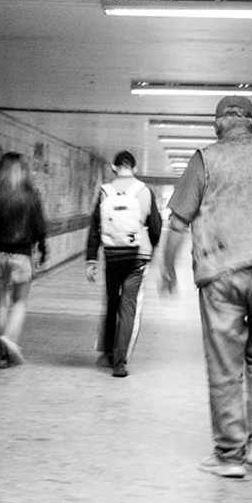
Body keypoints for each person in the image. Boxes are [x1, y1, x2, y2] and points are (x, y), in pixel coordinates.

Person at [157, 95, 252, 479]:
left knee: (225, 366)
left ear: (217, 127)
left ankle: (229, 455)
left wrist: (167, 268)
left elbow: (177, 222)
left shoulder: (205, 159)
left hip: (221, 272)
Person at [85, 150, 164, 377]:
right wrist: (152, 247)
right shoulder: (145, 191)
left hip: (113, 255)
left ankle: (107, 353)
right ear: (135, 168)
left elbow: (95, 227)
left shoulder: (105, 191)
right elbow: (156, 226)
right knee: (129, 307)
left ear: (114, 167)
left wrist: (91, 259)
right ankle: (120, 363)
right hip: (138, 256)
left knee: (112, 303)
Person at [0, 151, 48, 368]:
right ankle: (9, 339)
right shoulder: (31, 196)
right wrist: (43, 250)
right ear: (23, 171)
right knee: (19, 303)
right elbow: (40, 228)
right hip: (21, 256)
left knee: (0, 305)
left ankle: (2, 356)